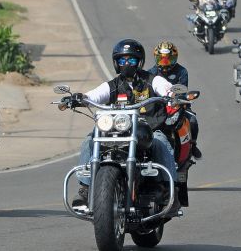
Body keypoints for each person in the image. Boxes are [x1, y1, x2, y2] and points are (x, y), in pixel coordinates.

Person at [72, 39, 180, 215]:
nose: (127, 64)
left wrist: (171, 94)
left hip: (148, 129)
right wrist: (80, 98)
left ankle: (170, 193)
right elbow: (95, 95)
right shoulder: (113, 85)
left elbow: (165, 87)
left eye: (131, 60)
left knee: (160, 141)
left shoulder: (152, 80)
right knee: (89, 140)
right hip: (118, 131)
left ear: (140, 62)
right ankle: (85, 189)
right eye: (122, 60)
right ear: (116, 63)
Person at [149, 41, 202, 159]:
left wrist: (180, 99)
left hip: (178, 105)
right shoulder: (150, 73)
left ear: (174, 58)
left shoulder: (182, 71)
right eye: (161, 59)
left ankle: (193, 145)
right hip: (157, 107)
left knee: (192, 120)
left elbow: (183, 90)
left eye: (168, 59)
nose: (165, 62)